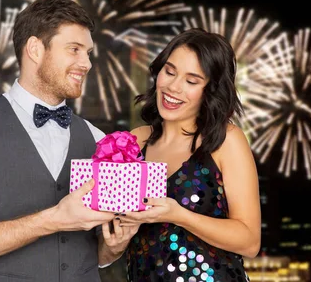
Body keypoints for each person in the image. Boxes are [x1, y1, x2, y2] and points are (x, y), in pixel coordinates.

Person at [0, 0, 117, 282]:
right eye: (74, 49)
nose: (86, 63)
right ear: (35, 49)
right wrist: (51, 219)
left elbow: (96, 256)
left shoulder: (97, 138)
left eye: (88, 52)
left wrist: (116, 245)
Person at [98, 28, 261, 281]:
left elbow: (250, 241)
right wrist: (115, 243)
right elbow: (106, 250)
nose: (173, 87)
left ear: (211, 89)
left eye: (192, 81)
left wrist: (177, 215)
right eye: (170, 71)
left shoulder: (226, 140)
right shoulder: (135, 140)